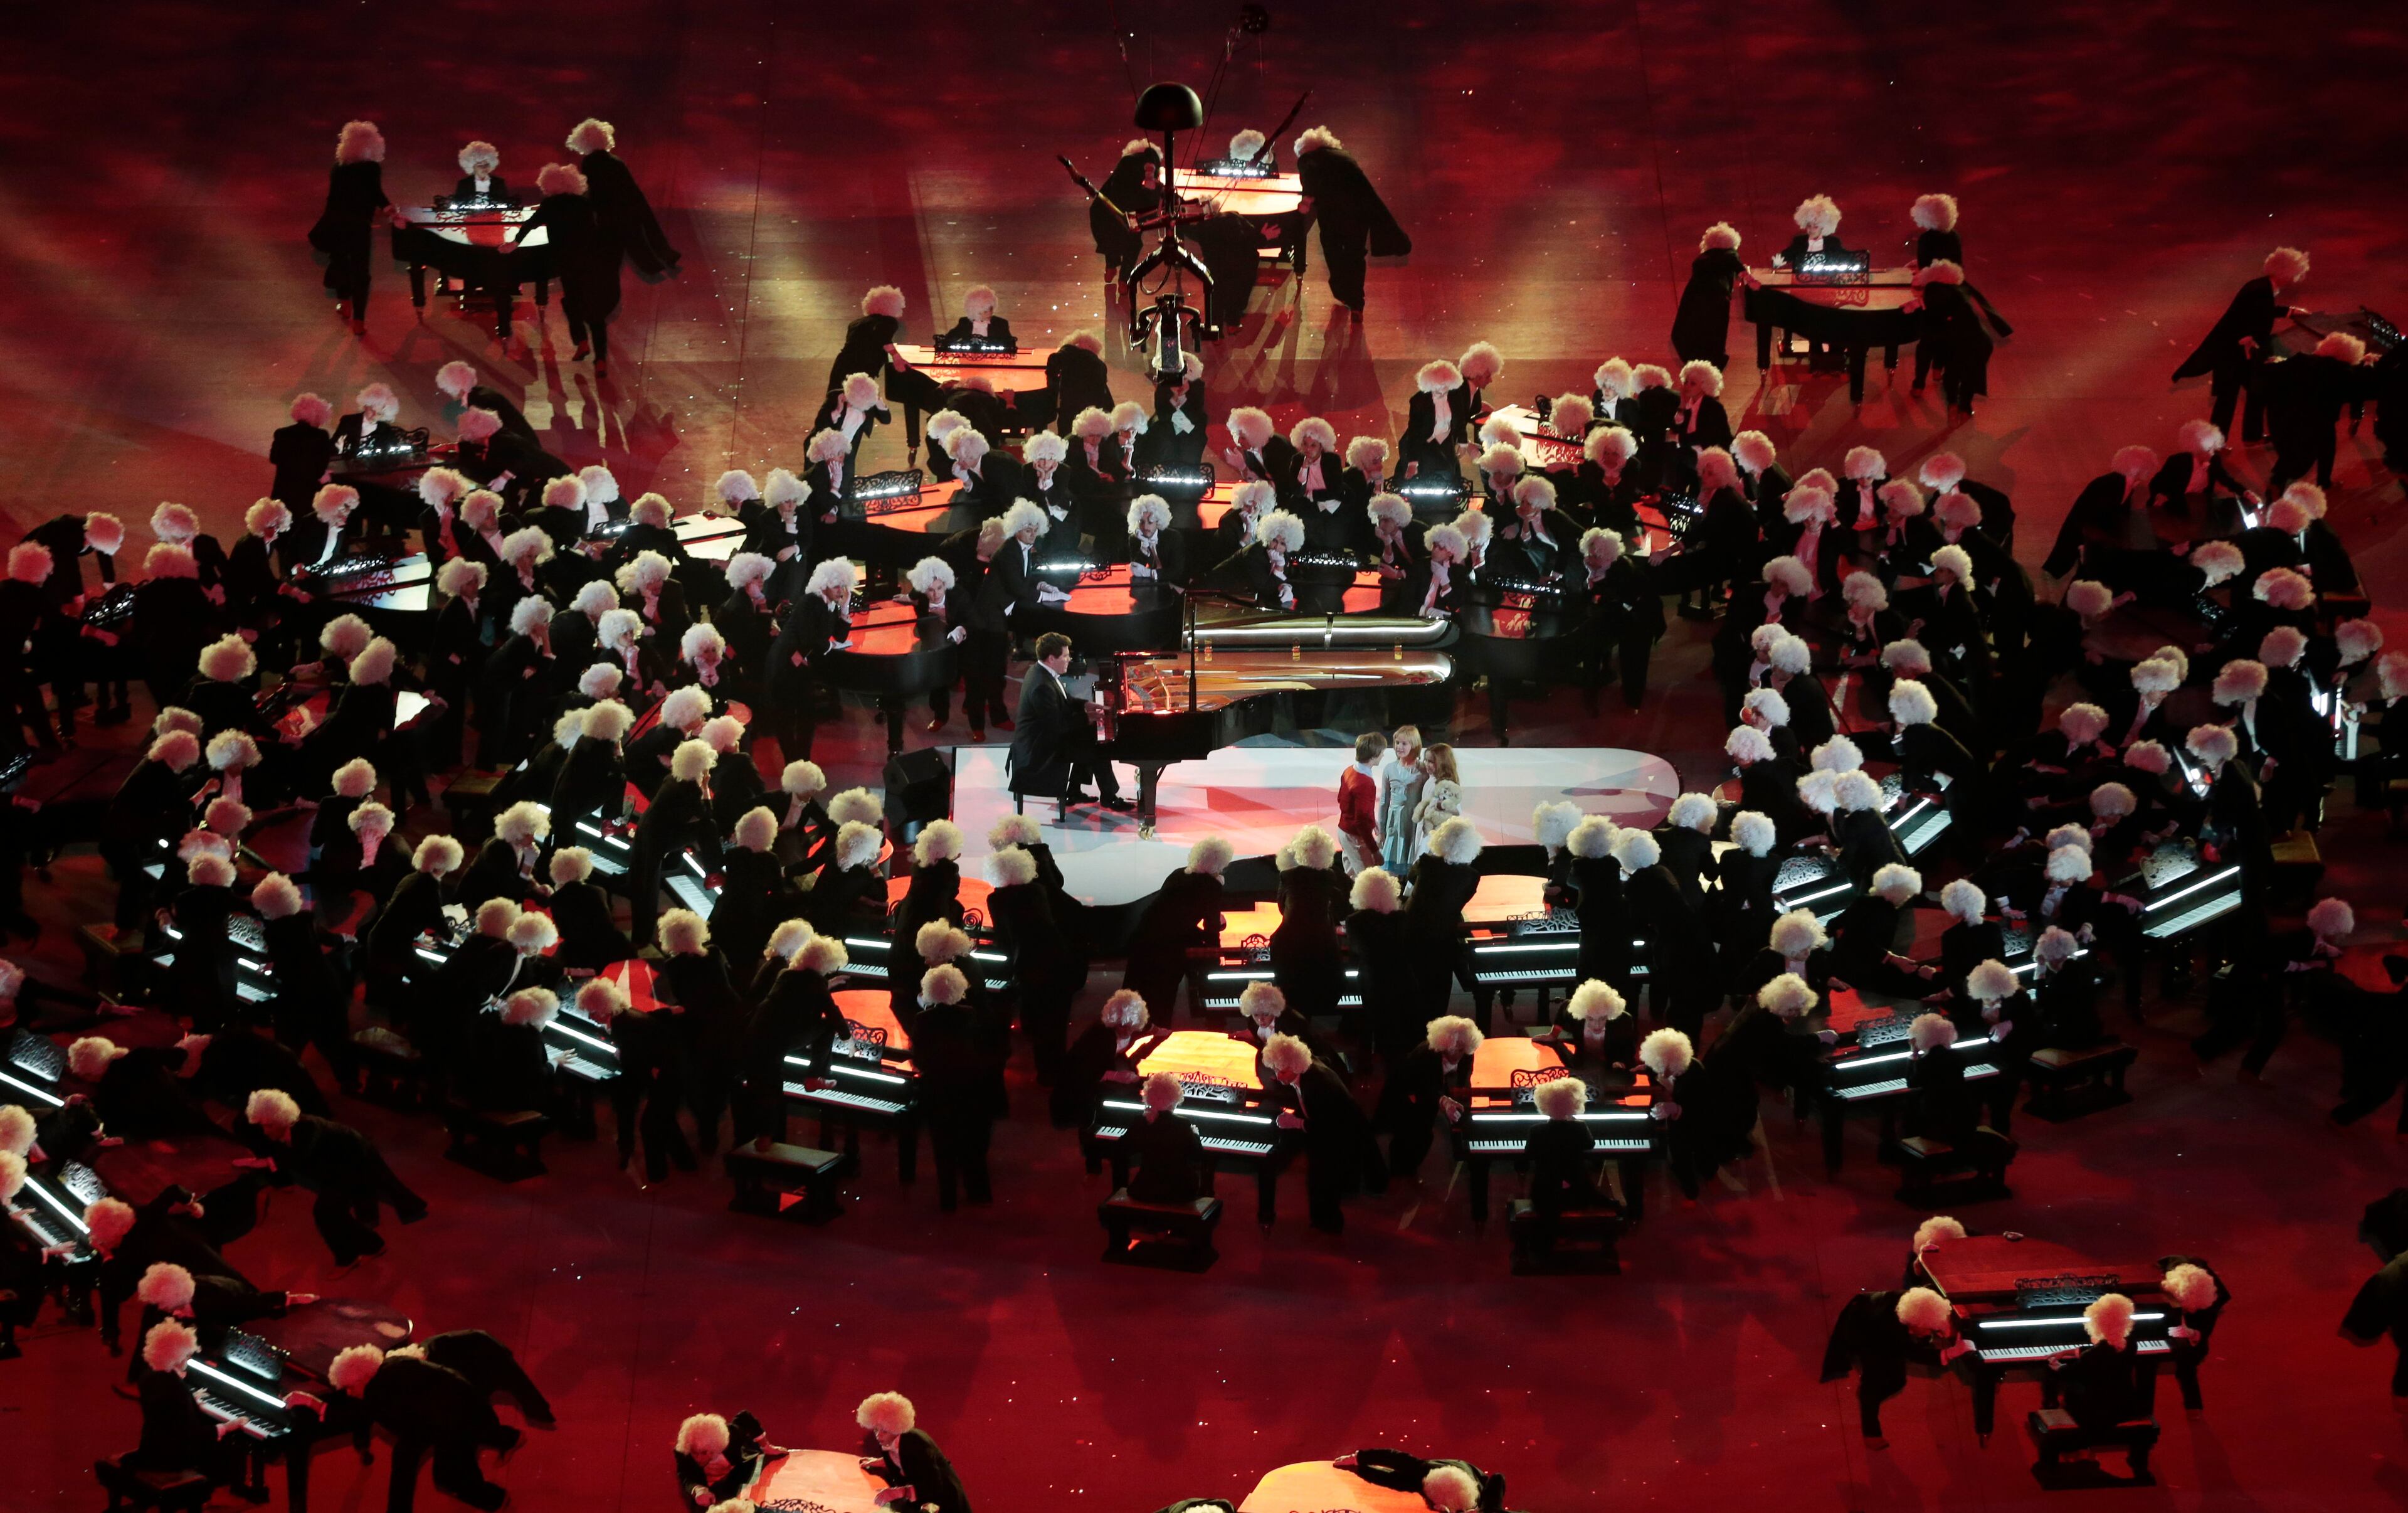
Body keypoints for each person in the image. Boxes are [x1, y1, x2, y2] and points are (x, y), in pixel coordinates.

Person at [240, 1088, 427, 1266]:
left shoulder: (308, 1128)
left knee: (328, 1210)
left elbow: (300, 1157)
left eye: (269, 1126)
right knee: (355, 1200)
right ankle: (372, 1240)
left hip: (353, 1161)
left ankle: (357, 1253)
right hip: (341, 1162)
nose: (265, 1131)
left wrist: (266, 1163)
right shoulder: (291, 1129)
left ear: (281, 1120)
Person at [2174, 246, 2310, 442]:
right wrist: (2251, 339)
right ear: (2285, 272)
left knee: (2250, 393)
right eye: (2294, 274)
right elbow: (2253, 317)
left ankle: (2243, 437)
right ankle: (2227, 441)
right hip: (2234, 355)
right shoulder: (2261, 291)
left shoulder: (2260, 287)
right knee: (2234, 398)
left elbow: (2260, 311)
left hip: (2237, 354)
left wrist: (2290, 311)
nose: (2294, 279)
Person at [1260, 1032, 1383, 1233]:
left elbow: (1327, 1126)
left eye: (1280, 1071)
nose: (1276, 1075)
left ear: (1294, 1066)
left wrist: (1295, 1122)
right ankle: (1323, 1220)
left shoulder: (1318, 1084)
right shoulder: (1306, 1068)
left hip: (1340, 1135)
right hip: (1334, 1129)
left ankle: (1329, 1226)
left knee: (1324, 1180)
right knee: (1320, 1179)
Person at [1818, 1285, 1973, 1445]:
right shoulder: (1891, 1329)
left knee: (1896, 1380)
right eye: (1927, 1329)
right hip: (1865, 1326)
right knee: (1877, 1378)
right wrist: (1951, 1353)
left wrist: (1943, 1326)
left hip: (1877, 1313)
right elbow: (1912, 1352)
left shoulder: (1917, 1305)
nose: (1928, 1333)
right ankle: (1871, 1431)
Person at [913, 964, 1009, 1212]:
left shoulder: (922, 1020)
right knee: (974, 1145)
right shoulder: (970, 1015)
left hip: (938, 1091)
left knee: (943, 1146)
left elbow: (920, 1060)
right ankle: (979, 1193)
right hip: (972, 1088)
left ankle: (948, 1200)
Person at [510, 162, 621, 373]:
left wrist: (514, 243)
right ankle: (600, 360)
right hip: (591, 262)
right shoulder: (584, 204)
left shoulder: (549, 205)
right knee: (595, 312)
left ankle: (581, 342)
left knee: (572, 303)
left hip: (567, 264)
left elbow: (530, 225)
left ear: (548, 184)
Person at [1292, 125, 1409, 315]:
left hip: (1333, 215)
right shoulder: (1344, 156)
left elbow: (1310, 181)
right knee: (1356, 255)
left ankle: (1342, 292)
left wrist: (1306, 201)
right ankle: (1357, 304)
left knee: (1333, 252)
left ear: (1305, 150)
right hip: (1360, 213)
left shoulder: (1308, 159)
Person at [1007, 632, 1127, 810]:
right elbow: (1058, 726)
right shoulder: (1041, 686)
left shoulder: (1040, 671)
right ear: (1051, 659)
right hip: (1040, 749)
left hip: (1043, 736)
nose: (1070, 659)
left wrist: (1085, 705)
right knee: (1097, 746)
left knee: (1091, 736)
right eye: (1065, 656)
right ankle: (1108, 796)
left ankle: (1074, 791)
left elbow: (1065, 699)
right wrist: (1087, 718)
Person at [568, 117, 681, 277]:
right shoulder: (616, 161)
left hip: (609, 210)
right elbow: (629, 187)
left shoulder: (590, 162)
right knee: (637, 238)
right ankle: (661, 262)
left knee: (622, 243)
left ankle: (653, 268)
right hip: (630, 205)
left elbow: (592, 189)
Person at [308, 120, 391, 333]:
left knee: (341, 263)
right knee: (361, 272)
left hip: (336, 223)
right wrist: (390, 209)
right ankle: (359, 321)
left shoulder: (338, 168)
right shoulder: (371, 168)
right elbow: (376, 194)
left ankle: (344, 305)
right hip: (359, 227)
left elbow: (332, 199)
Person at [857, 1392, 973, 1513]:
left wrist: (900, 1492)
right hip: (921, 1504)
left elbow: (933, 1484)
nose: (878, 1436)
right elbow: (906, 1462)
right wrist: (883, 1462)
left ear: (896, 1427)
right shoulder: (888, 1441)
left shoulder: (917, 1441)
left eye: (884, 1431)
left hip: (946, 1502)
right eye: (876, 1429)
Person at [1672, 223, 1750, 368]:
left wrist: (1745, 275)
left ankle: (1703, 365)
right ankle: (1709, 366)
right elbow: (1737, 266)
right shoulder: (1727, 254)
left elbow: (1735, 264)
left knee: (1689, 332)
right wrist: (1747, 277)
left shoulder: (1711, 256)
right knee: (1712, 335)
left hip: (1698, 297)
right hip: (1713, 299)